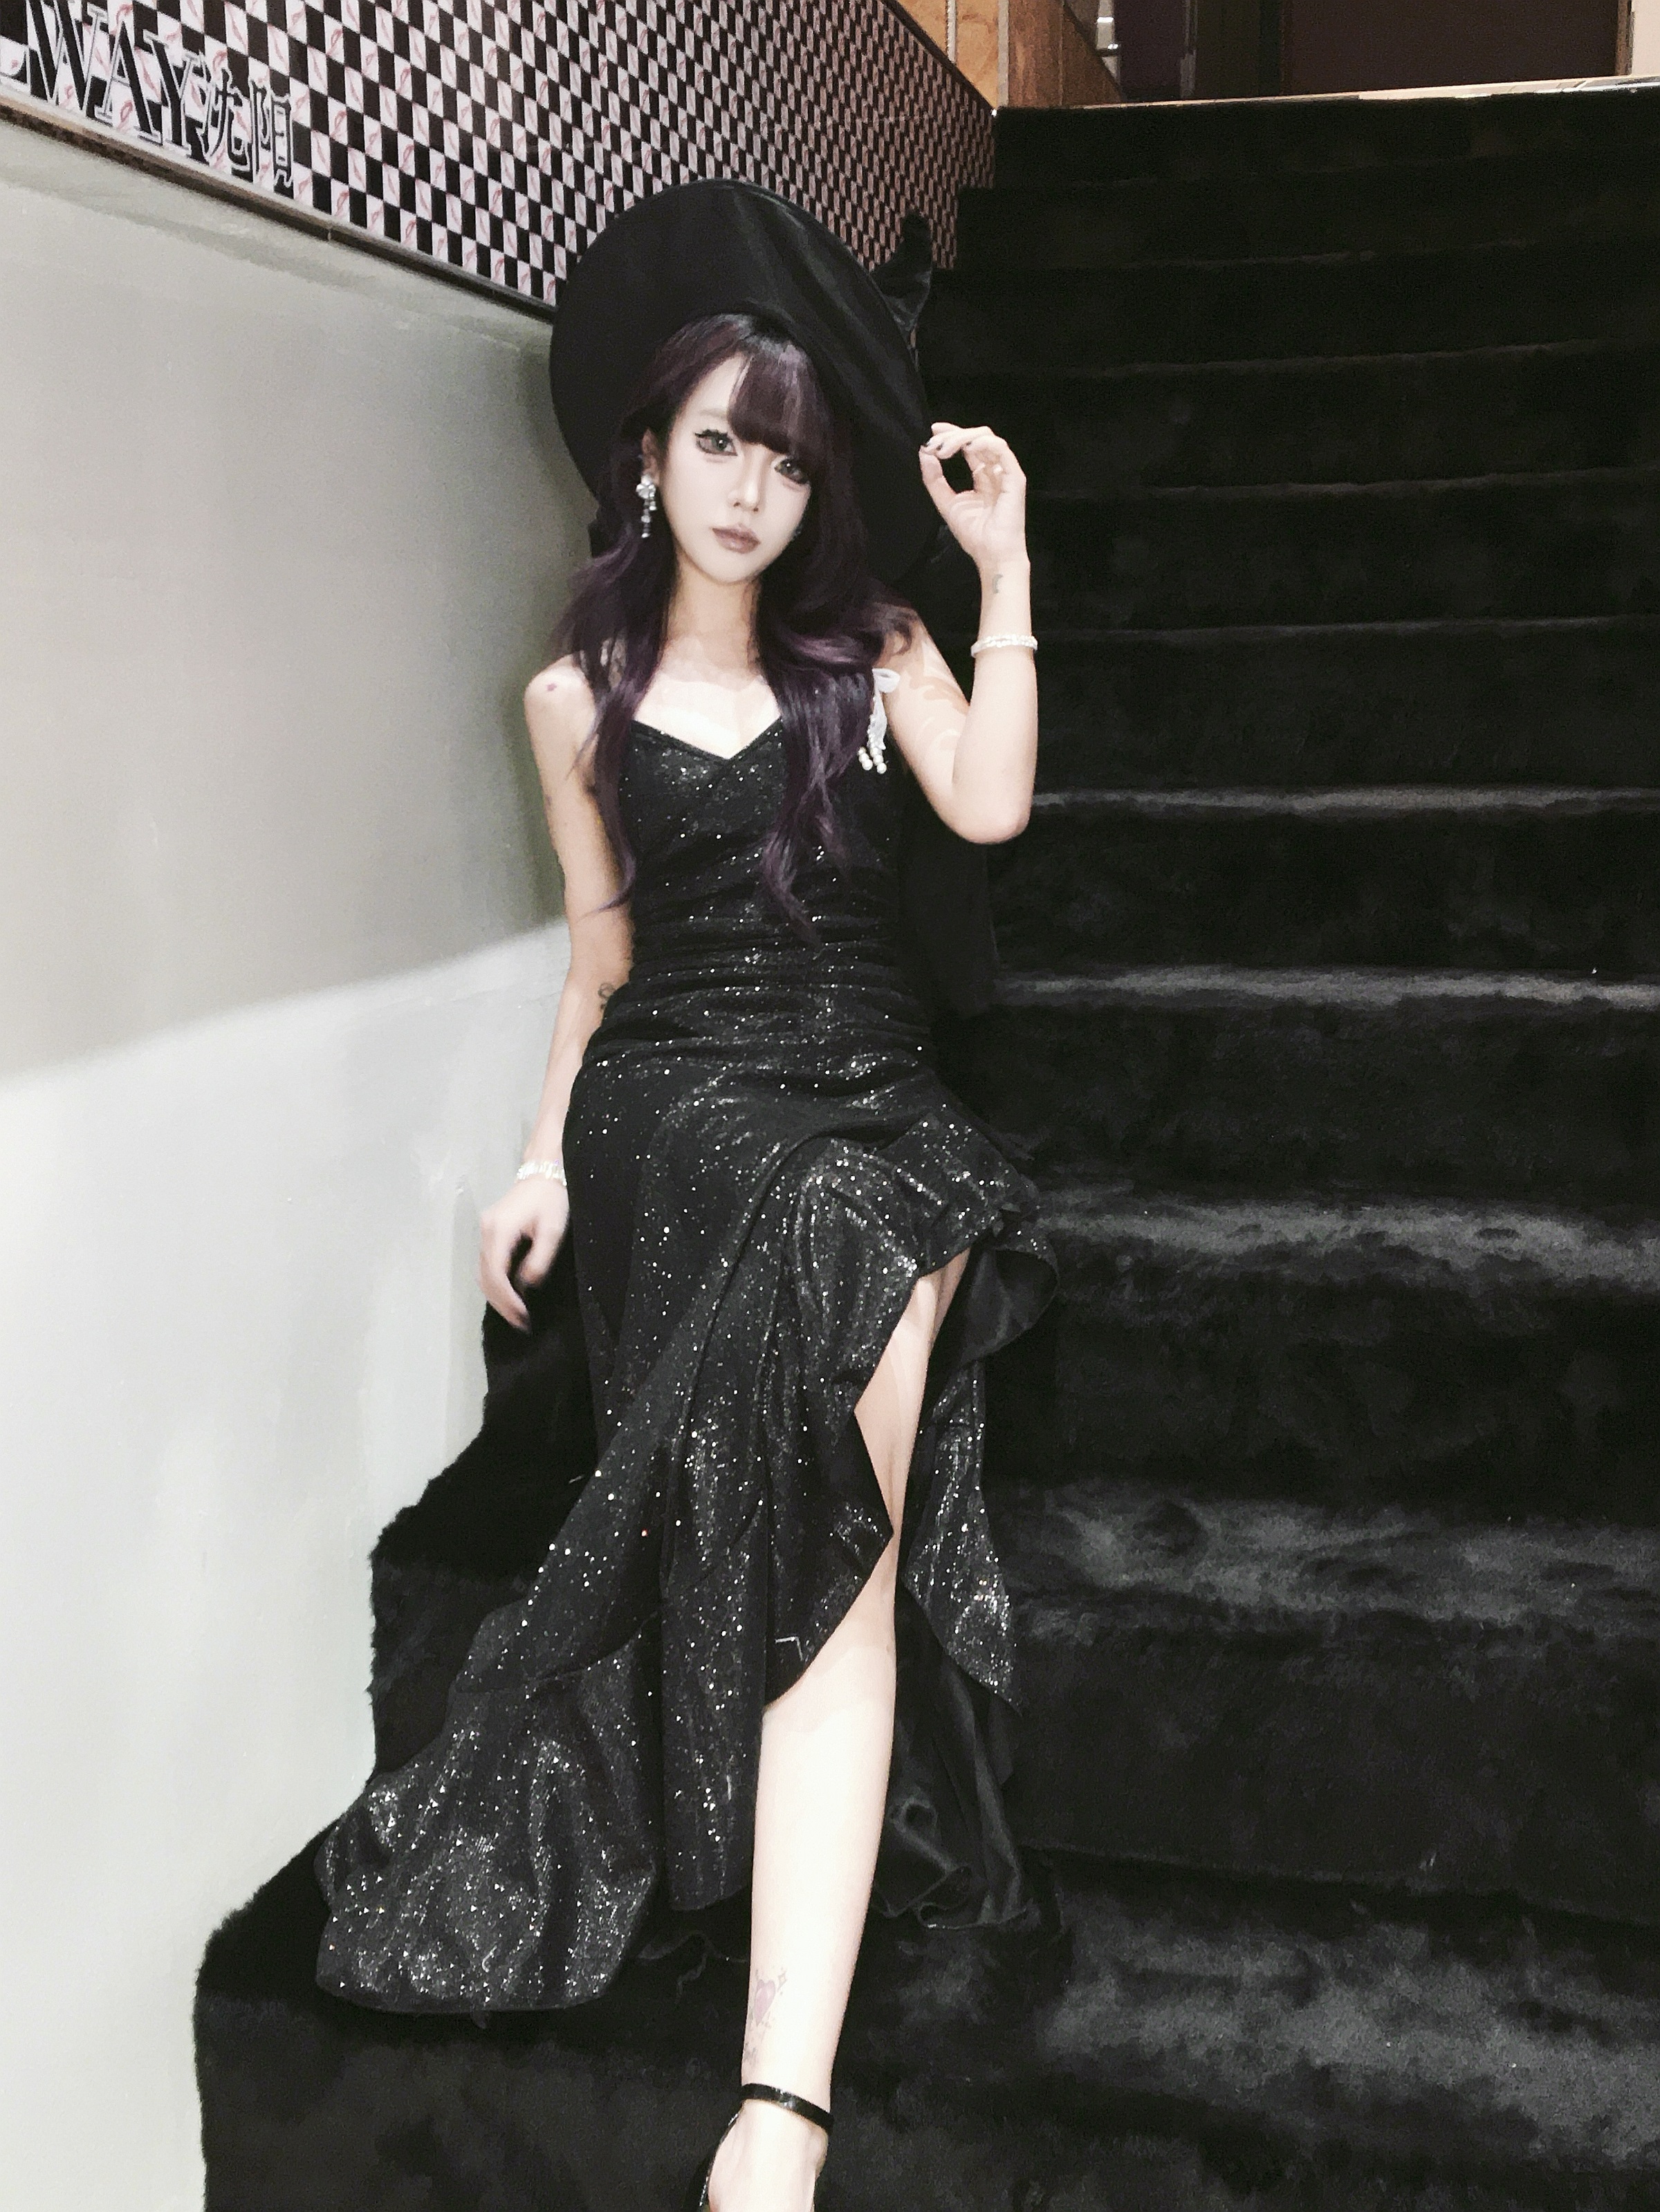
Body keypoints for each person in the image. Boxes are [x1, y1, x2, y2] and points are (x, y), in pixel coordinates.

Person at [312, 182, 1055, 2212]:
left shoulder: (872, 647)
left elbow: (990, 800)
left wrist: (1001, 571)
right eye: (720, 443)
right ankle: (782, 2096)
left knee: (854, 1234)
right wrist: (539, 1157)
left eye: (787, 461)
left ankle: (776, 2100)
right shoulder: (572, 698)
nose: (750, 491)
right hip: (672, 1098)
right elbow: (600, 964)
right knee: (793, 1224)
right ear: (647, 451)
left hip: (862, 1085)